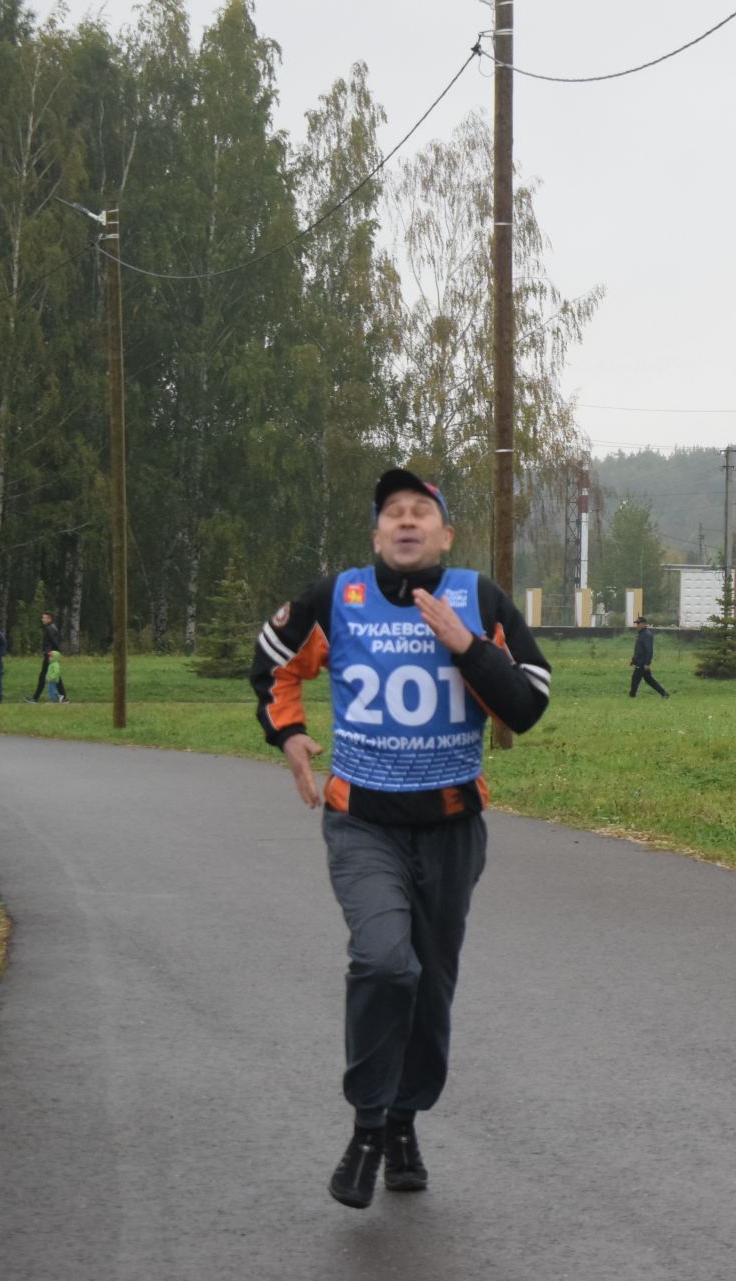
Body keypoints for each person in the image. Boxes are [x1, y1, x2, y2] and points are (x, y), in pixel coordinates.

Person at [251, 467, 551, 1211]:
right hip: (363, 823)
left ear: (445, 534)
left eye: (422, 512)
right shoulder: (338, 598)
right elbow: (273, 662)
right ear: (377, 534)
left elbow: (531, 701)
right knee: (386, 963)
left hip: (451, 829)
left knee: (431, 984)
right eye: (393, 513)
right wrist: (286, 732)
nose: (407, 522)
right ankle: (365, 1124)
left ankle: (405, 1121)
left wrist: (468, 647)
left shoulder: (477, 600)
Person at [26, 611, 65, 703]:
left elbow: (55, 642)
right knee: (54, 675)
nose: (42, 619)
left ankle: (36, 698)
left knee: (45, 676)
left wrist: (50, 653)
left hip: (50, 655)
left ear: (49, 618)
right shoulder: (53, 627)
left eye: (44, 617)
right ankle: (62, 696)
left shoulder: (50, 629)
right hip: (51, 655)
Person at [628, 615, 669, 699]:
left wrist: (647, 663)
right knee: (649, 680)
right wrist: (633, 660)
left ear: (643, 624)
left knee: (635, 679)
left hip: (642, 662)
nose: (637, 625)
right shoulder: (641, 634)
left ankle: (631, 696)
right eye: (637, 623)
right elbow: (639, 650)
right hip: (639, 661)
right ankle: (664, 694)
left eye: (638, 623)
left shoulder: (647, 635)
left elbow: (649, 650)